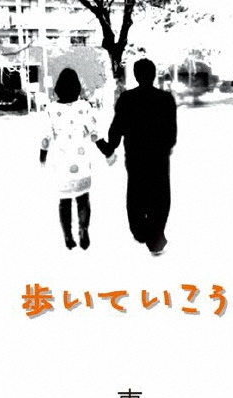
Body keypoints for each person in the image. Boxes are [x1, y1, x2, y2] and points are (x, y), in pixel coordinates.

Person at [98, 58, 177, 256]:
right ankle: (156, 237)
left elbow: (116, 127)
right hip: (158, 157)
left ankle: (140, 230)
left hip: (135, 156)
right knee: (160, 197)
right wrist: (166, 147)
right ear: (154, 74)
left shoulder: (127, 98)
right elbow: (171, 131)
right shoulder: (165, 99)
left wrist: (111, 146)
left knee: (136, 195)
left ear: (136, 75)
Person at [39, 68, 101, 250]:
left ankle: (67, 235)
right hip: (81, 159)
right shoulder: (85, 107)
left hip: (62, 160)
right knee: (83, 198)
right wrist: (100, 143)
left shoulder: (51, 109)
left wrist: (42, 154)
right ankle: (83, 229)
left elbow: (46, 136)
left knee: (64, 200)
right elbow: (94, 131)